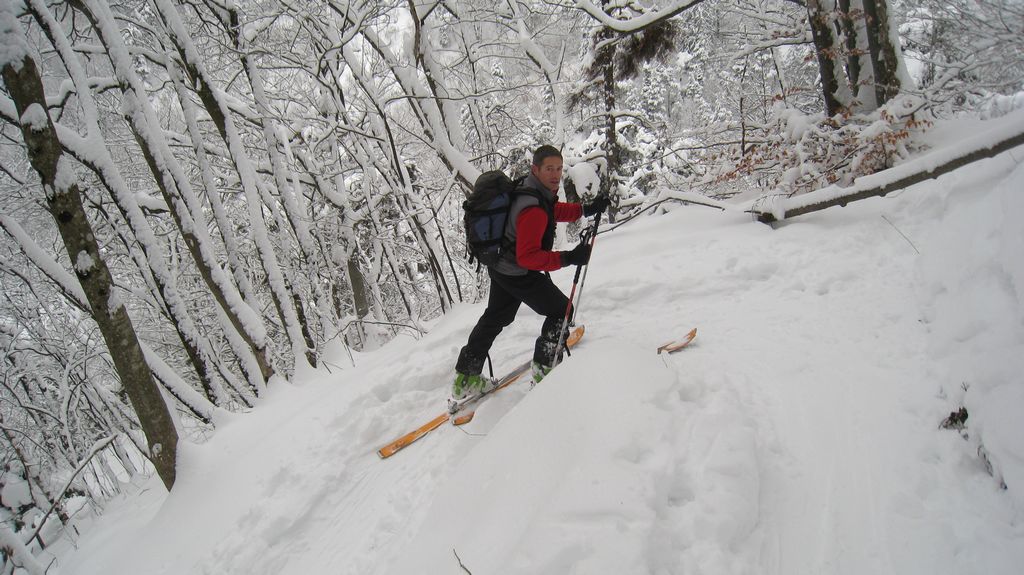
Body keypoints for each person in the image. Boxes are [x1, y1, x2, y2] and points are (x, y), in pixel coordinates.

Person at [452, 145, 610, 401]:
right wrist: (569, 257)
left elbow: (552, 210)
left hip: (501, 266)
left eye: (559, 168)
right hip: (517, 271)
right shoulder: (533, 208)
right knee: (562, 311)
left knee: (494, 318)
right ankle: (545, 373)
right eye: (549, 169)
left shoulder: (530, 188)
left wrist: (584, 210)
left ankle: (465, 379)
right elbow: (529, 256)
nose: (556, 174)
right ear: (536, 169)